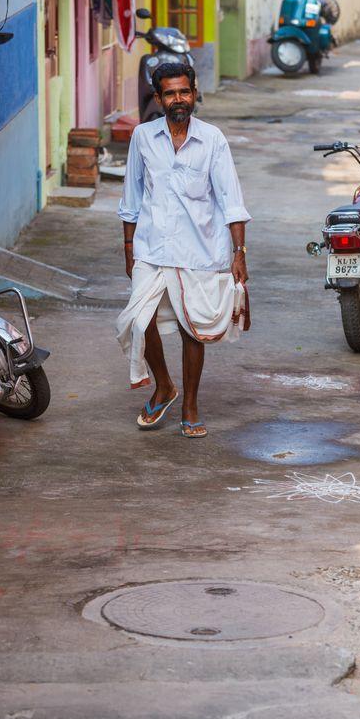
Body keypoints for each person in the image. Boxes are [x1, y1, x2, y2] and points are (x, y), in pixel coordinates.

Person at [116, 61, 251, 438]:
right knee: (139, 322)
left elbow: (231, 200)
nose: (179, 99)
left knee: (194, 329)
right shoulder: (143, 138)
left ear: (194, 93)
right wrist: (129, 247)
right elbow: (131, 198)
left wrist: (239, 252)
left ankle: (189, 402)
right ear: (158, 98)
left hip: (201, 250)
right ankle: (164, 386)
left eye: (185, 92)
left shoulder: (213, 139)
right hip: (151, 248)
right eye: (171, 93)